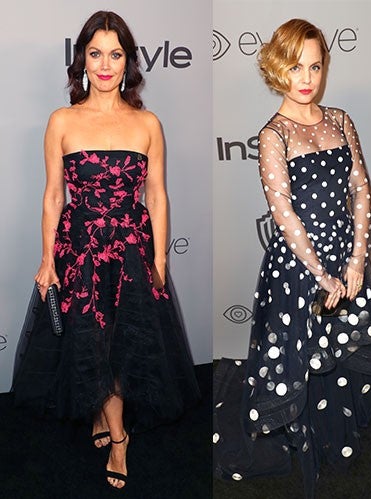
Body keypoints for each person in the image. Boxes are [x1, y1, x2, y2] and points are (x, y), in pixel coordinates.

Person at [213, 19, 371, 497]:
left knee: (341, 347)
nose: (307, 78)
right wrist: (321, 274)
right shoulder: (273, 135)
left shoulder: (340, 120)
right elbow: (284, 214)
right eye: (296, 67)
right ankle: (302, 435)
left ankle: (332, 424)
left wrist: (356, 261)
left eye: (315, 66)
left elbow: (361, 189)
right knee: (301, 353)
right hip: (299, 267)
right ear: (278, 68)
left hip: (345, 256)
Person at [12, 11, 200, 488]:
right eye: (95, 54)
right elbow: (54, 196)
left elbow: (156, 195)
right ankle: (117, 432)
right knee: (91, 339)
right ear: (83, 59)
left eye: (115, 55)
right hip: (79, 248)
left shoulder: (147, 123)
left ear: (127, 62)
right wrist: (47, 259)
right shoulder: (62, 121)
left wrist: (160, 259)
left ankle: (116, 433)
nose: (104, 65)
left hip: (131, 249)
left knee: (121, 342)